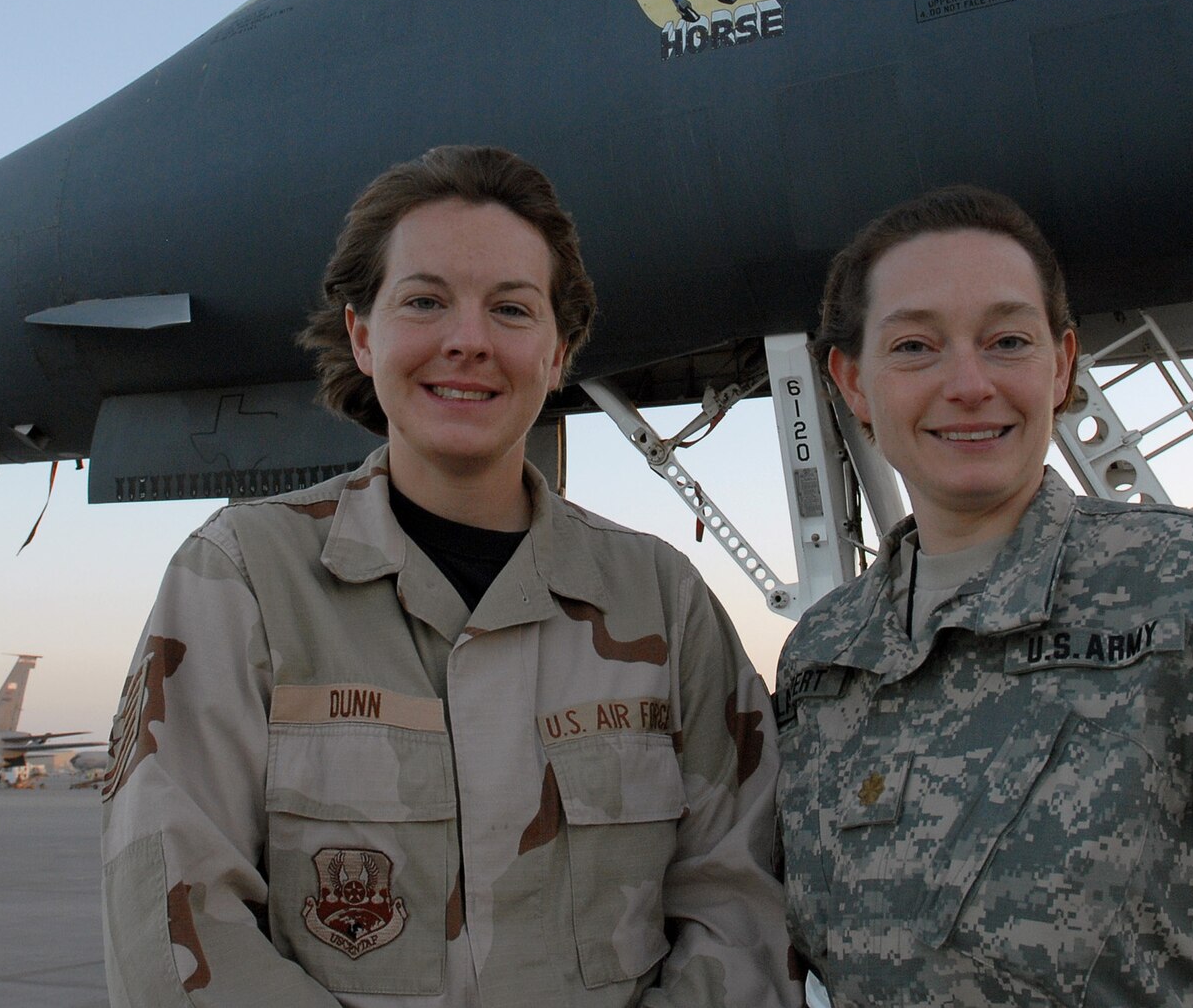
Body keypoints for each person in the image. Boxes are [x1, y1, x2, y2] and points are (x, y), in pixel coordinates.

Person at [101, 145, 793, 1008]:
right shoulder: (242, 583)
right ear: (362, 333)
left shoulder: (662, 601)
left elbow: (744, 909)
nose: (467, 340)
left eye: (511, 308)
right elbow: (169, 925)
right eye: (424, 301)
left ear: (557, 350)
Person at [775, 185, 1193, 1007]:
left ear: (1060, 366)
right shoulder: (822, 658)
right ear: (852, 381)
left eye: (1007, 340)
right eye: (916, 346)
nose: (968, 383)